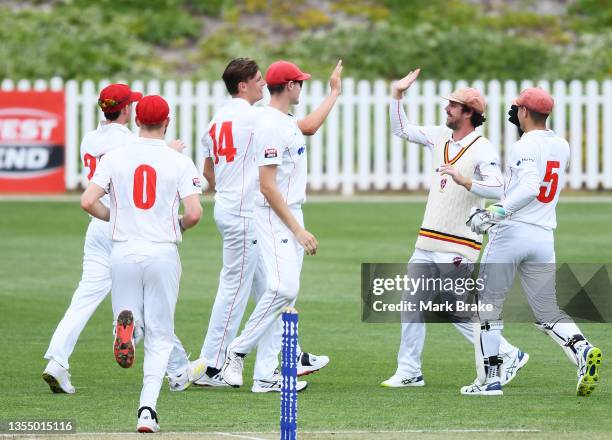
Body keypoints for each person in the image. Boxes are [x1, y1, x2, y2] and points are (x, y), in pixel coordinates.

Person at [190, 58, 342, 391]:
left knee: (272, 289)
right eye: (257, 80)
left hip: (232, 206)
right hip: (250, 213)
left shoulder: (216, 120)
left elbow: (209, 171)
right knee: (239, 289)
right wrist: (333, 94)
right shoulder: (257, 117)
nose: (263, 84)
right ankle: (213, 364)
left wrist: (229, 191)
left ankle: (289, 355)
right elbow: (306, 126)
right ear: (242, 85)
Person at [42, 84, 203, 394]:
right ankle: (172, 365)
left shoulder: (91, 138)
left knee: (84, 298)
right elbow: (144, 165)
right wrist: (170, 153)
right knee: (151, 303)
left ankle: (57, 360)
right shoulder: (128, 140)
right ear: (127, 109)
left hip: (98, 224)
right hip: (126, 224)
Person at [380, 68, 528, 388]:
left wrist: (466, 180)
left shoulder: (482, 147)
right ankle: (409, 371)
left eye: (453, 106)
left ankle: (507, 352)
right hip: (429, 236)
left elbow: (498, 188)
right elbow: (401, 129)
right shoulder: (439, 135)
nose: (446, 109)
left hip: (459, 240)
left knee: (455, 310)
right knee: (411, 304)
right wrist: (397, 95)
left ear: (469, 113)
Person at [462, 87, 603, 396]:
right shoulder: (561, 145)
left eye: (516, 109)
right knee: (545, 309)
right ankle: (582, 350)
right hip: (543, 235)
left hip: (512, 233)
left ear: (524, 112)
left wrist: (495, 213)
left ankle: (490, 381)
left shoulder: (523, 145)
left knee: (487, 307)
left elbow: (529, 188)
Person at [80, 95, 203, 432]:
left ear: (136, 121)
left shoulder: (115, 157)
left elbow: (88, 201)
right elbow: (194, 213)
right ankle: (147, 410)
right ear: (167, 122)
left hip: (123, 250)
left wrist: (113, 216)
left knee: (133, 318)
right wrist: (177, 224)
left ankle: (127, 332)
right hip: (161, 251)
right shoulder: (179, 161)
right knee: (162, 336)